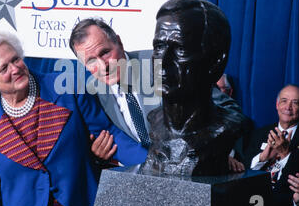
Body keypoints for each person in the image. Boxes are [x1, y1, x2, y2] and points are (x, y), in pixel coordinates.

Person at [0, 30, 147, 206]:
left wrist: (153, 167)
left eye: (15, 59)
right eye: (3, 68)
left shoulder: (65, 85)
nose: (15, 69)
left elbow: (110, 134)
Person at [69, 18, 247, 166]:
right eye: (91, 60)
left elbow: (229, 111)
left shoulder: (165, 64)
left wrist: (217, 152)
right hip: (149, 180)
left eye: (105, 53)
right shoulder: (92, 94)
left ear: (119, 42)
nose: (103, 66)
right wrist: (99, 156)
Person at [137, 0, 248, 176]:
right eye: (158, 47)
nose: (162, 61)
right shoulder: (154, 120)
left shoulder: (226, 128)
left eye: (180, 49)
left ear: (215, 62)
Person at [244, 84, 299, 206]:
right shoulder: (259, 133)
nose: (288, 107)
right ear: (276, 104)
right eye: (284, 101)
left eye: (295, 102)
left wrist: (285, 155)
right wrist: (262, 158)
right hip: (253, 202)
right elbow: (244, 169)